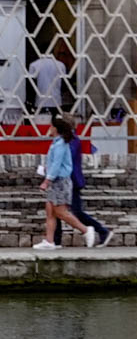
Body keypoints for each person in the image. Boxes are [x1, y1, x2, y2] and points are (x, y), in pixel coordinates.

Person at [49, 116, 111, 248]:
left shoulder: (70, 140)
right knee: (56, 209)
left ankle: (101, 231)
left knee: (75, 211)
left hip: (71, 180)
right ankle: (55, 240)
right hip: (67, 180)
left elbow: (65, 160)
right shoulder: (68, 140)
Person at [33, 117, 93, 250]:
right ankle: (50, 241)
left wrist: (46, 181)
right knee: (50, 211)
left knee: (61, 212)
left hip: (60, 182)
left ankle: (85, 230)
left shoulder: (60, 144)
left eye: (51, 126)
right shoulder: (56, 143)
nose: (49, 129)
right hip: (56, 181)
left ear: (56, 129)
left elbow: (57, 164)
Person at [28, 49, 65, 114]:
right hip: (56, 101)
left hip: (40, 101)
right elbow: (64, 83)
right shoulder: (61, 65)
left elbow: (31, 85)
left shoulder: (34, 65)